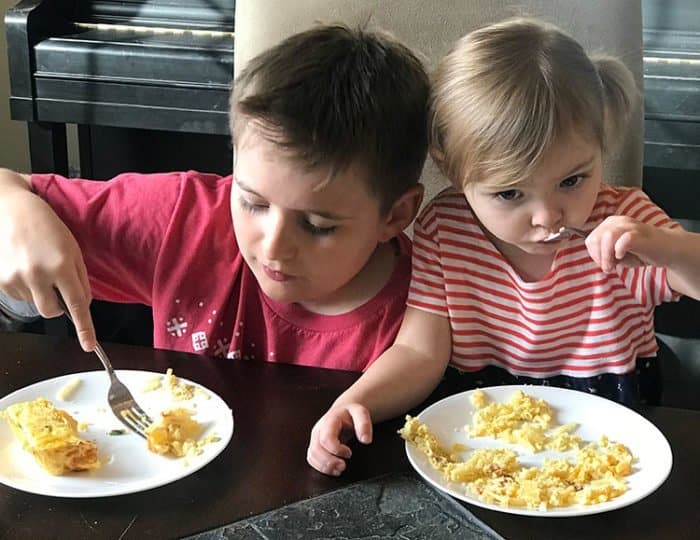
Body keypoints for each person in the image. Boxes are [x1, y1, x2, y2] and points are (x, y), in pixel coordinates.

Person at [307, 17, 700, 476]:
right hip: (477, 428)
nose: (547, 216)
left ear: (600, 149)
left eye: (572, 180)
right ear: (452, 170)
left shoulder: (625, 222)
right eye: (510, 193)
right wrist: (357, 401)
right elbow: (419, 353)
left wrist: (666, 248)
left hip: (612, 428)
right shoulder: (445, 227)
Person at [0, 24, 430, 371]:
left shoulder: (432, 306)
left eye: (319, 226)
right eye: (253, 202)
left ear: (395, 215)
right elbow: (9, 188)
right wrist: (12, 211)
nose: (272, 246)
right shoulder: (185, 220)